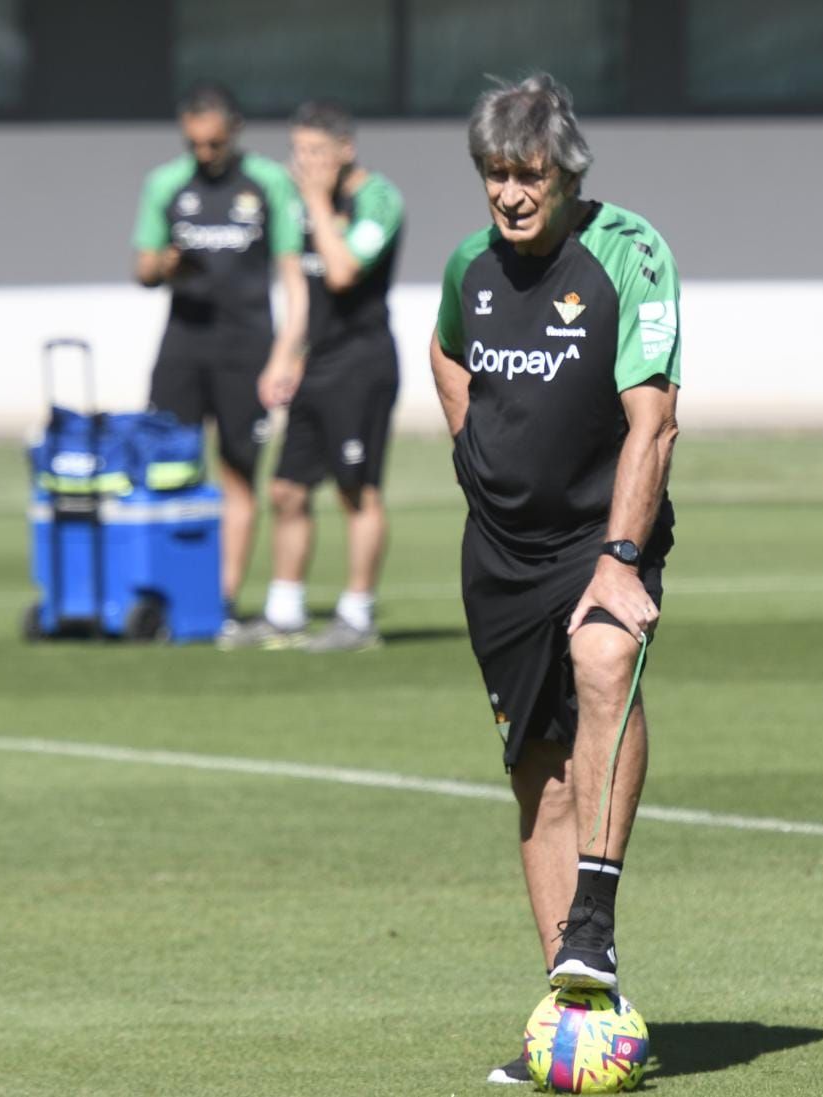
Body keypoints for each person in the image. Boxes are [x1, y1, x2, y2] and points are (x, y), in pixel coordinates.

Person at [427, 74, 680, 1086]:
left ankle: (596, 917)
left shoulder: (631, 253)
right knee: (538, 771)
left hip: (596, 537)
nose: (508, 194)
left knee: (606, 656)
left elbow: (653, 417)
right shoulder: (467, 265)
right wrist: (470, 454)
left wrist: (619, 559)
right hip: (499, 553)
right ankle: (571, 1011)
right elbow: (446, 353)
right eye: (493, 174)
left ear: (566, 171)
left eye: (526, 173)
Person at [226, 100, 405, 651]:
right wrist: (284, 356)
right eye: (297, 151)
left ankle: (357, 616)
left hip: (363, 362)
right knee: (285, 489)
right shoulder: (296, 202)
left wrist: (316, 202)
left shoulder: (377, 199)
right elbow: (300, 287)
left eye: (315, 152)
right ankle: (284, 613)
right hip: (315, 364)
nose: (303, 162)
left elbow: (345, 270)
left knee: (357, 491)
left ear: (345, 150)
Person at [132, 82, 308, 635]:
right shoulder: (165, 183)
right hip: (183, 344)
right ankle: (167, 592)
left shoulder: (268, 183)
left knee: (237, 474)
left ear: (233, 132)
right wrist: (166, 263)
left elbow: (291, 272)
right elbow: (143, 269)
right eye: (194, 145)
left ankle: (220, 603)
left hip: (246, 346)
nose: (203, 155)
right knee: (166, 471)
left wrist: (286, 352)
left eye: (212, 144)